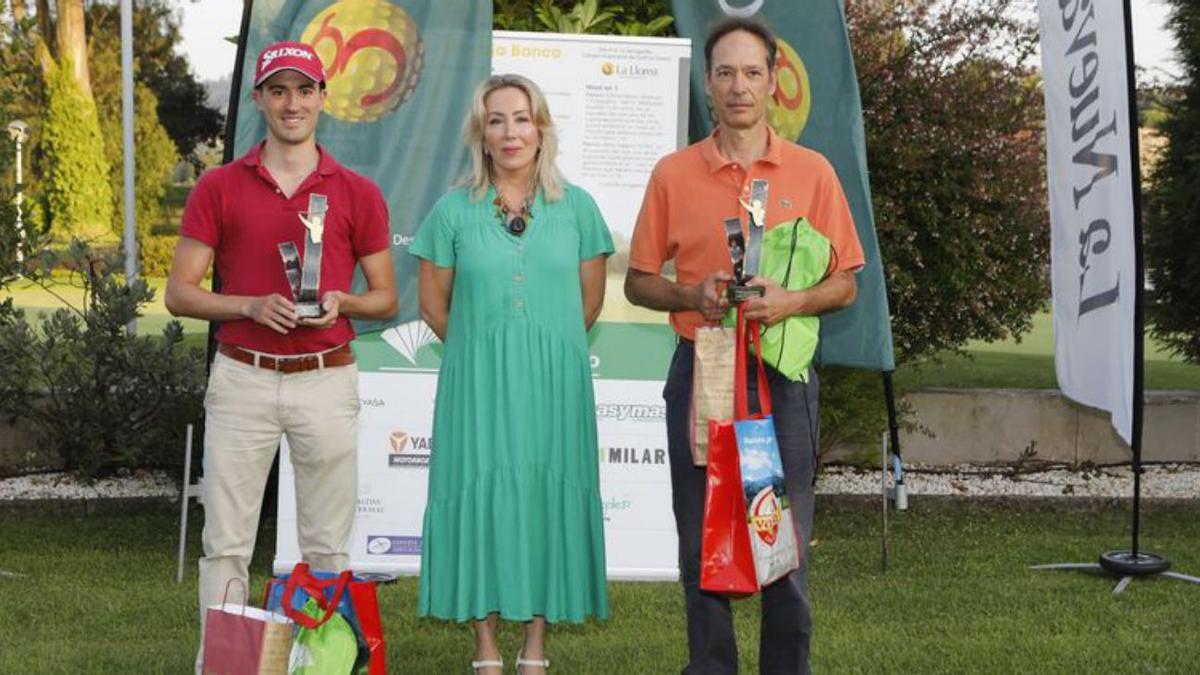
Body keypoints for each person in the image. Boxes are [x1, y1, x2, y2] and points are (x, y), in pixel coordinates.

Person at [625, 18, 865, 675]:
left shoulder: (812, 173)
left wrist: (791, 299)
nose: (738, 86)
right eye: (725, 73)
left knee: (780, 538)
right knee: (702, 537)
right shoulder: (674, 173)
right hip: (703, 369)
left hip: (782, 378)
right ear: (707, 84)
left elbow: (844, 282)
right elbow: (641, 280)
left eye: (752, 72)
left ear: (773, 83)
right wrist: (690, 295)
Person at [163, 40, 397, 668]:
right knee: (226, 546)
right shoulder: (218, 186)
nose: (292, 103)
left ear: (323, 98)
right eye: (279, 90)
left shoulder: (357, 192)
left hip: (326, 378)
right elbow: (179, 293)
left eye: (304, 89)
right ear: (260, 99)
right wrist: (246, 305)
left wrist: (343, 302)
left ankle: (318, 665)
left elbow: (386, 299)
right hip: (243, 377)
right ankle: (226, 667)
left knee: (326, 549)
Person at [410, 73, 612, 675]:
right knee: (477, 495)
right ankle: (486, 645)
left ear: (541, 125)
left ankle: (536, 644)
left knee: (546, 496)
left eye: (521, 118)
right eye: (496, 120)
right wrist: (481, 349)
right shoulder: (451, 211)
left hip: (556, 384)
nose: (510, 131)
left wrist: (542, 349)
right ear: (481, 132)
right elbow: (432, 306)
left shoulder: (578, 208)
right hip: (476, 385)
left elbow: (590, 305)